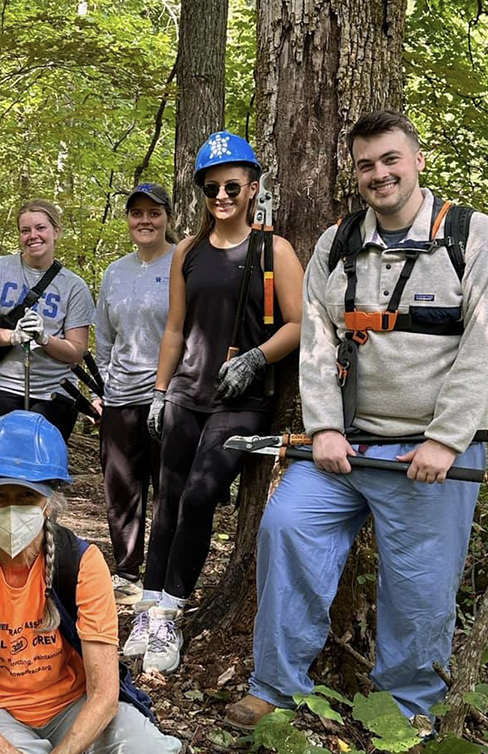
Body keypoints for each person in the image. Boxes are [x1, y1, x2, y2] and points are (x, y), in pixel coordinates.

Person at [227, 111, 488, 728]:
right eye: (366, 165)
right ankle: (274, 686)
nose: (379, 174)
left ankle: (404, 712)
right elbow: (315, 344)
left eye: (390, 159)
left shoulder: (473, 237)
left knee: (419, 590)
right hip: (343, 449)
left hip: (431, 460)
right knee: (286, 528)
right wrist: (325, 427)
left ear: (416, 159)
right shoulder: (337, 244)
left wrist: (445, 441)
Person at [131, 131, 304, 674]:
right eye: (211, 188)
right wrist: (159, 392)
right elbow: (176, 329)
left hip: (241, 399)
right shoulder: (188, 250)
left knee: (201, 496)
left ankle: (172, 614)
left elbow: (298, 324)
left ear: (252, 187)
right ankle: (148, 605)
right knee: (168, 498)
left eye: (232, 185)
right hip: (186, 391)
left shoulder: (273, 250)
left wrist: (255, 358)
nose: (222, 196)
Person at [0, 411, 184, 754]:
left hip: (73, 706)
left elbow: (105, 693)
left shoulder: (81, 563)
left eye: (26, 497)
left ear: (48, 502)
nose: (12, 510)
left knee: (149, 748)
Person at [0, 199, 94, 492]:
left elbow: (76, 351)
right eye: (25, 230)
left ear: (56, 231)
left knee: (41, 475)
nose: (33, 235)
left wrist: (45, 339)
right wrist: (12, 336)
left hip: (53, 392)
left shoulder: (74, 287)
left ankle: (40, 536)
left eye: (41, 228)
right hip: (2, 386)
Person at [93, 183, 177, 606]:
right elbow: (104, 337)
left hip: (170, 394)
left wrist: (174, 387)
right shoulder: (115, 272)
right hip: (121, 396)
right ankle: (126, 571)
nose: (145, 220)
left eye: (153, 212)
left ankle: (160, 579)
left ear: (167, 216)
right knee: (122, 487)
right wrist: (108, 384)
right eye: (136, 213)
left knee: (167, 486)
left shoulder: (182, 262)